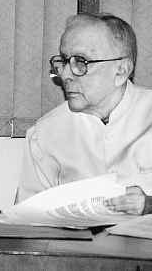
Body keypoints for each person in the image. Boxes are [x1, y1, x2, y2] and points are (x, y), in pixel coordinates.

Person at [17, 13, 152, 215]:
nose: (65, 74)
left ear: (121, 71)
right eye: (63, 61)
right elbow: (25, 217)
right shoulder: (45, 134)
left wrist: (149, 205)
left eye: (81, 62)